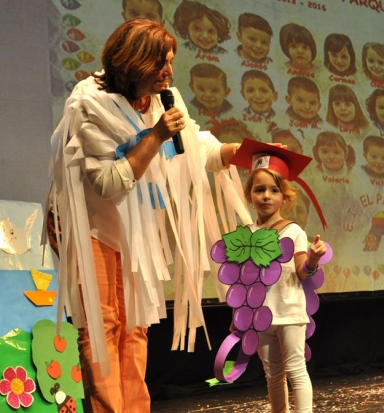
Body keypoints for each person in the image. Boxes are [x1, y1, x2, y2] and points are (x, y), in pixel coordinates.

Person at [45, 19, 248, 413]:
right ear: (132, 62)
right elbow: (108, 182)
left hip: (135, 230)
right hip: (90, 225)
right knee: (102, 328)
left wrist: (243, 151)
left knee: (135, 325)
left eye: (170, 62)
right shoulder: (90, 103)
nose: (169, 73)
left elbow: (196, 147)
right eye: (160, 63)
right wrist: (154, 135)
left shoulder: (164, 100)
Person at [229, 139, 326, 413]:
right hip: (260, 316)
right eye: (259, 190)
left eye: (273, 190)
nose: (266, 196)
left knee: (296, 370)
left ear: (284, 196)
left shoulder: (293, 231)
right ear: (250, 196)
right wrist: (238, 314)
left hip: (290, 313)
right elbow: (243, 281)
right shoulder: (246, 234)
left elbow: (302, 271)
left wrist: (313, 260)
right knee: (273, 374)